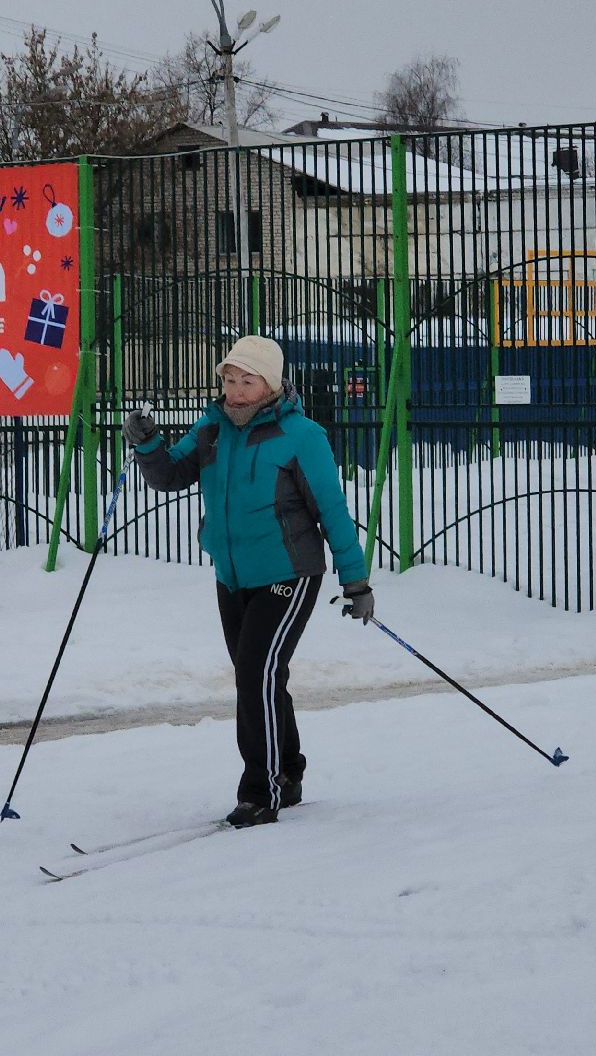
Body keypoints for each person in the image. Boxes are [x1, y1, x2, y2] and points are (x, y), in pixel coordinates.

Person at [123, 335, 374, 828]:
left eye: (247, 381)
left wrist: (356, 582)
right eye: (230, 380)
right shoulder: (214, 428)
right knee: (260, 676)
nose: (236, 391)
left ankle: (261, 790)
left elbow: (332, 511)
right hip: (232, 575)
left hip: (289, 572)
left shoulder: (303, 436)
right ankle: (291, 769)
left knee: (255, 673)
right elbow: (171, 474)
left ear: (271, 385)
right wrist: (148, 444)